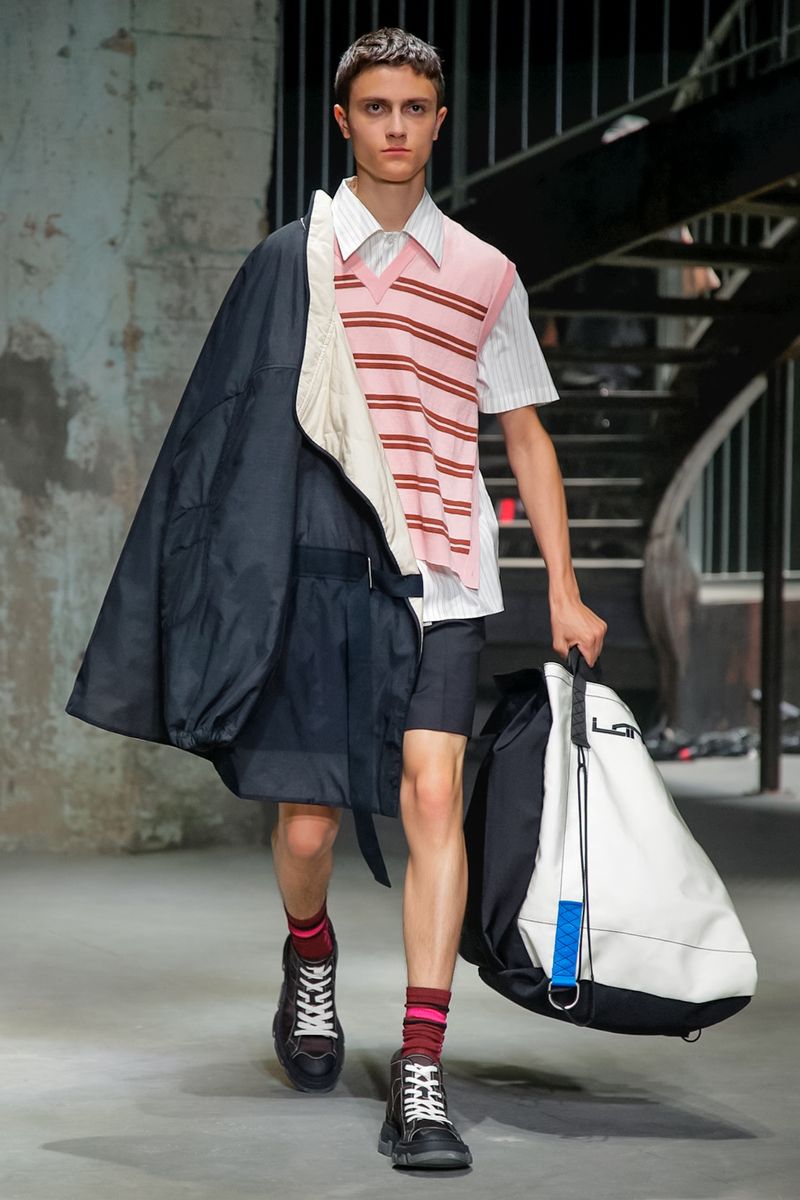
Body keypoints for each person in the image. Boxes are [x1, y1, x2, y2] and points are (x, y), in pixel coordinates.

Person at [271, 28, 607, 1171]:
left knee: (430, 800)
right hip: (324, 575)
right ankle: (309, 957)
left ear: (439, 122)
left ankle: (420, 1073)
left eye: (414, 108)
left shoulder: (482, 272)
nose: (396, 127)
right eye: (375, 107)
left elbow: (524, 434)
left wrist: (562, 586)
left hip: (446, 574)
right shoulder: (300, 258)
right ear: (343, 121)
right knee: (307, 823)